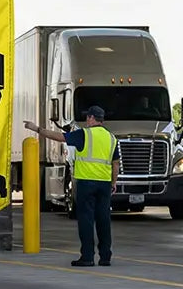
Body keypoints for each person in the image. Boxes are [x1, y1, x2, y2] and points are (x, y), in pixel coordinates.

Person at [24, 105, 119, 267]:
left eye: (87, 118)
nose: (86, 121)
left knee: (86, 220)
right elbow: (115, 163)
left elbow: (59, 137)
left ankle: (87, 257)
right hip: (104, 184)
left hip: (86, 183)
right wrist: (113, 182)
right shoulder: (111, 138)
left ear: (91, 118)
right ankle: (105, 257)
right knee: (104, 220)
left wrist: (37, 129)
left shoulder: (84, 134)